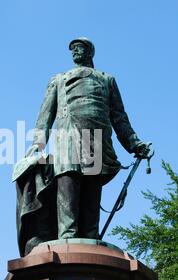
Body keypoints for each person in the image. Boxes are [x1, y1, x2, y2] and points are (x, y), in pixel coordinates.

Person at [25, 37, 150, 241]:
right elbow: (45, 116)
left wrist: (134, 143)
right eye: (72, 49)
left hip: (97, 141)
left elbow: (119, 117)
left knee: (92, 197)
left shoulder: (106, 80)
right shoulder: (59, 80)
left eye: (79, 48)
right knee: (68, 188)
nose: (74, 51)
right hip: (68, 140)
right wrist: (37, 145)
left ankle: (90, 241)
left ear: (90, 52)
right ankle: (67, 240)